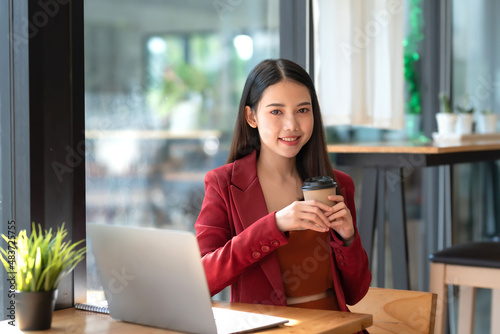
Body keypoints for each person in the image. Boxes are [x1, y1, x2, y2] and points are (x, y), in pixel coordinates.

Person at [195, 59, 371, 313]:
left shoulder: (339, 185)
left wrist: (348, 238)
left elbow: (356, 293)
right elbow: (203, 279)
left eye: (302, 110)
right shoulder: (224, 184)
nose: (292, 125)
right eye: (276, 112)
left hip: (336, 327)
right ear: (251, 116)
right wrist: (274, 225)